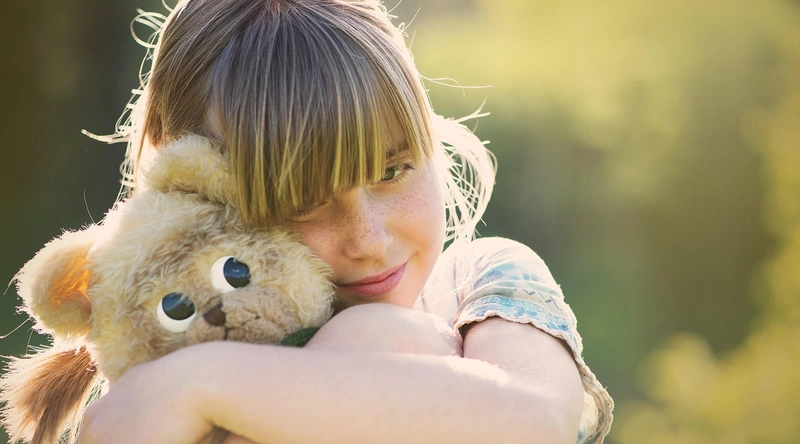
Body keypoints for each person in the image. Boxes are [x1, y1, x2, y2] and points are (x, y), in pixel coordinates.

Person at [78, 0, 613, 442]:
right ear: (194, 197)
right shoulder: (150, 385)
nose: (369, 240)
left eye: (392, 170)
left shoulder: (477, 284)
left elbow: (536, 421)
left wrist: (202, 385)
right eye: (304, 201)